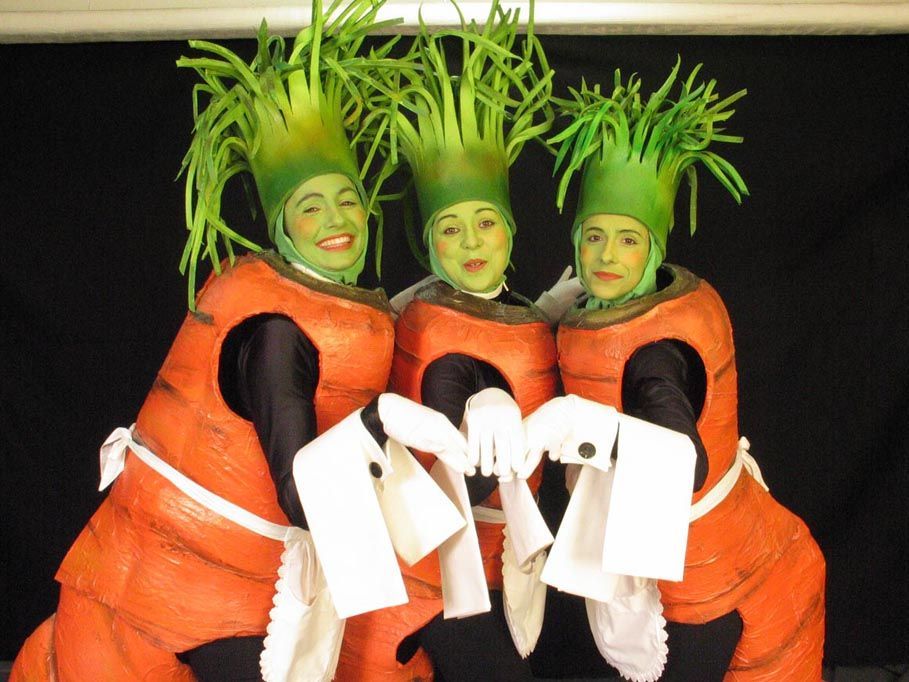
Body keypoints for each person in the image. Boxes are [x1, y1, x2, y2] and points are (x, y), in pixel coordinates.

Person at [10, 3, 471, 680]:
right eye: (310, 206)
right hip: (172, 602)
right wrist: (382, 421)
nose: (336, 220)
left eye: (346, 200)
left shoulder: (346, 311)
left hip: (259, 582)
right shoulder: (273, 331)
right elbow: (303, 491)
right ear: (281, 223)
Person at [525, 61, 826, 680]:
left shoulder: (656, 354)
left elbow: (683, 462)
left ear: (654, 249)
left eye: (628, 240)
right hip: (678, 565)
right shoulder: (597, 310)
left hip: (713, 577)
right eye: (594, 237)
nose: (608, 255)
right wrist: (546, 313)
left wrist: (576, 421)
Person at [333, 3, 561, 680]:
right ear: (429, 243)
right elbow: (454, 435)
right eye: (450, 228)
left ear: (510, 231)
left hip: (499, 566)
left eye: (485, 222)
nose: (470, 243)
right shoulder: (420, 323)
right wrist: (487, 402)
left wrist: (551, 312)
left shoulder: (517, 310)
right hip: (433, 573)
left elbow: (506, 342)